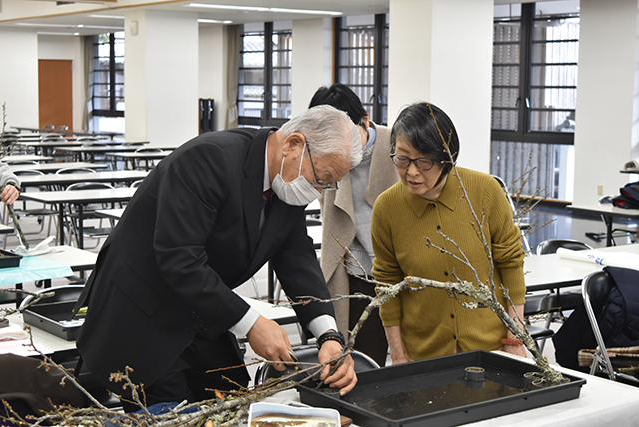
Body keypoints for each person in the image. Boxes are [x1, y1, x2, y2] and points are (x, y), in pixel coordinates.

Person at [74, 105, 362, 410]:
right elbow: (180, 258)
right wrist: (252, 324)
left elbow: (296, 257)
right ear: (293, 144)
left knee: (231, 398)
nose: (318, 192)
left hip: (201, 309)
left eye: (328, 185)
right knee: (171, 413)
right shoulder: (210, 158)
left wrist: (328, 335)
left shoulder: (287, 181)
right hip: (143, 315)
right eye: (322, 178)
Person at [371, 102, 527, 365]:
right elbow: (388, 285)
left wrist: (515, 340)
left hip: (492, 349)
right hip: (424, 355)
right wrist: (397, 356)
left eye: (424, 161)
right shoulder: (387, 208)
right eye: (402, 159)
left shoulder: (485, 191)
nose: (411, 172)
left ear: (447, 157)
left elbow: (511, 264)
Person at [309, 84, 398, 367]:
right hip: (359, 276)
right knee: (363, 363)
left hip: (401, 273)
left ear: (365, 121)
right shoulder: (331, 161)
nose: (342, 148)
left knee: (410, 360)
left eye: (347, 136)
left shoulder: (396, 145)